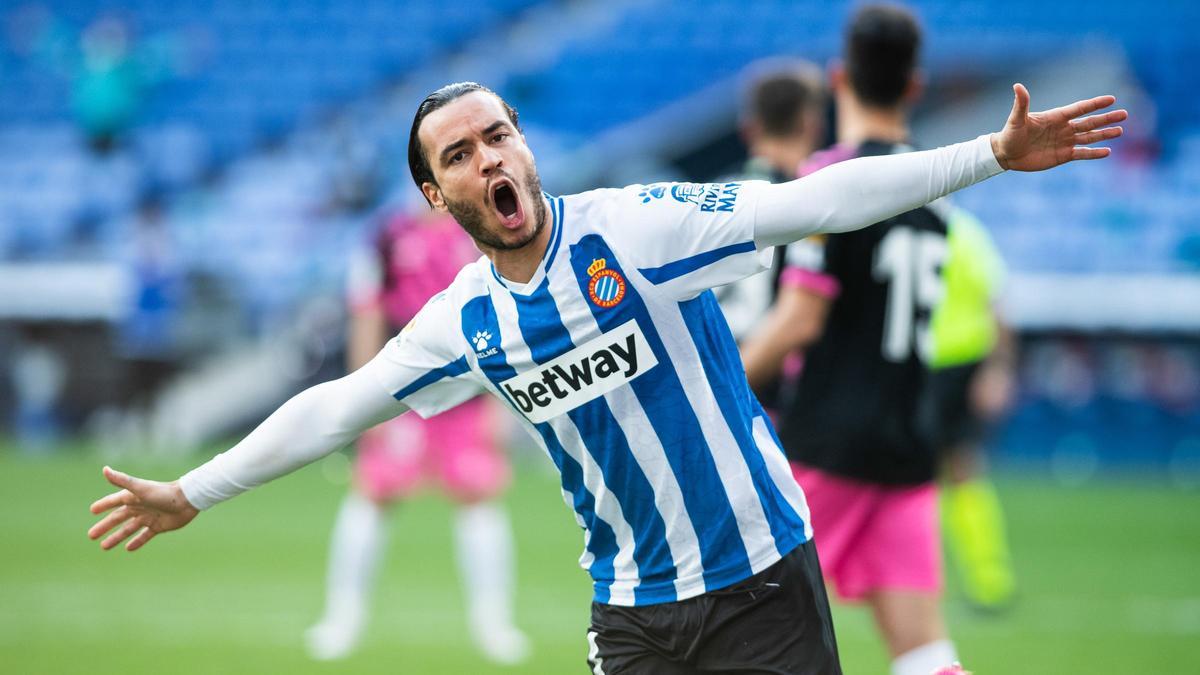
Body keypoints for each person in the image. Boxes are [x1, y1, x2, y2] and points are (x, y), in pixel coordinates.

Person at [88, 76, 1124, 673]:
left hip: (760, 581)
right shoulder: (466, 323)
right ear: (433, 193)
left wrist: (988, 153)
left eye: (499, 136)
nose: (489, 159)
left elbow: (819, 201)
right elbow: (333, 410)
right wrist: (192, 490)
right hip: (628, 612)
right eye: (459, 155)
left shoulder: (637, 230)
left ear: (524, 147)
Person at [736, 6, 1062, 674]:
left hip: (829, 443)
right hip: (907, 441)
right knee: (925, 653)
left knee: (740, 639)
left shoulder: (827, 180)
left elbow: (800, 318)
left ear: (839, 79)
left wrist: (716, 388)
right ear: (915, 86)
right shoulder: (936, 194)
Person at [305, 205, 528, 663]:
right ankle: (342, 619)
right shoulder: (385, 237)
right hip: (400, 393)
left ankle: (494, 624)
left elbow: (503, 314)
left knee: (478, 497)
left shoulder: (479, 232)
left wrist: (501, 402)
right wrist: (362, 401)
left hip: (468, 393)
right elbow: (367, 315)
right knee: (373, 494)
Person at [924, 207, 1018, 612]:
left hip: (953, 368)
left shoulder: (961, 230)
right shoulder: (961, 228)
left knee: (958, 469)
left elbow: (996, 303)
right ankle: (932, 580)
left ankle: (987, 580)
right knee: (923, 474)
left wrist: (997, 369)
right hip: (921, 368)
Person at [714, 59, 826, 343]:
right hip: (769, 364)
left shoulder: (711, 199)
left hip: (714, 360)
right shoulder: (810, 202)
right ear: (811, 125)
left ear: (749, 128)